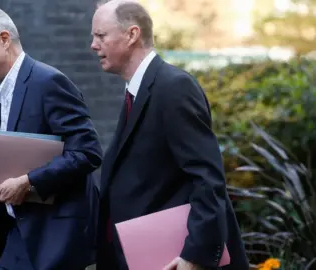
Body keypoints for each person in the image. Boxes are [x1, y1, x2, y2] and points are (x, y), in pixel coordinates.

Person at [90, 1, 249, 269]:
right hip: (139, 255)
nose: (93, 45)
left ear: (132, 35)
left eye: (100, 36)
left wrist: (194, 255)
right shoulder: (136, 91)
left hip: (174, 260)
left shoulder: (175, 87)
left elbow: (207, 178)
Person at [0, 6, 102, 270]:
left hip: (54, 238)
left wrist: (28, 182)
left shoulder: (48, 82)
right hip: (19, 233)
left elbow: (88, 152)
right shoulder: (5, 90)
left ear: (4, 39)